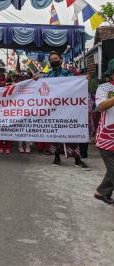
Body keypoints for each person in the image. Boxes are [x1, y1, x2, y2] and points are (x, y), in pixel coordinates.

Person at [44, 51, 90, 170]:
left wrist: (84, 80)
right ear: (49, 61)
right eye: (52, 59)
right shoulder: (47, 76)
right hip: (54, 110)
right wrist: (34, 81)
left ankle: (77, 159)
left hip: (69, 109)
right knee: (55, 134)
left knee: (72, 133)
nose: (54, 60)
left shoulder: (69, 74)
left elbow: (77, 86)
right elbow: (41, 89)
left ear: (61, 59)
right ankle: (57, 157)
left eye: (56, 58)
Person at [94, 67, 114, 205]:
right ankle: (102, 191)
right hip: (107, 136)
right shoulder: (104, 88)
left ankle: (102, 192)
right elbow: (100, 107)